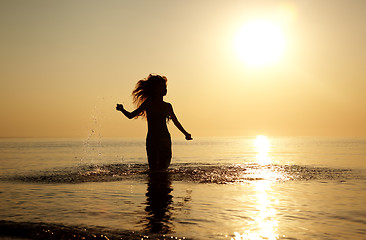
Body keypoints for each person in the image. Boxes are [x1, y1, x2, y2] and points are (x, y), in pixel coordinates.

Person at [116, 74, 192, 171]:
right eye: (161, 87)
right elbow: (131, 115)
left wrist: (186, 134)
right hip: (152, 139)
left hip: (165, 139)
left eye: (165, 87)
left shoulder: (167, 106)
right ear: (154, 89)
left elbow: (176, 122)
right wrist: (122, 109)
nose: (165, 89)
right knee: (153, 169)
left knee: (163, 168)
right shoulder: (148, 103)